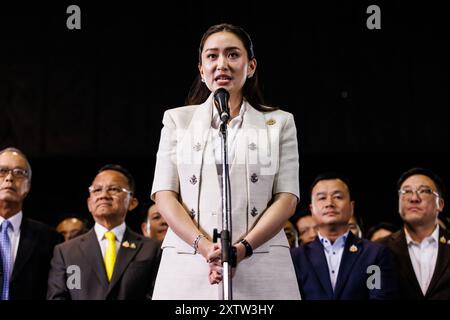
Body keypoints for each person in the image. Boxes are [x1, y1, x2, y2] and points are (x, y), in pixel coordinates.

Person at [151, 23, 301, 299]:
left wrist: (242, 248)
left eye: (233, 55)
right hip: (188, 260)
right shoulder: (177, 120)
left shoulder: (279, 122)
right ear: (201, 69)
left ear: (251, 66)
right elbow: (164, 194)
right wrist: (205, 247)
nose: (222, 64)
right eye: (212, 56)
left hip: (261, 259)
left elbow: (287, 197)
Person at [47, 164, 161, 300]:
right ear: (89, 203)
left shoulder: (152, 249)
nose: (103, 195)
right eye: (97, 190)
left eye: (113, 189)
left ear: (132, 202)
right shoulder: (67, 252)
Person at [291, 172, 398, 299]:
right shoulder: (296, 258)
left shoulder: (374, 254)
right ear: (312, 210)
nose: (329, 203)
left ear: (351, 207)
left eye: (338, 197)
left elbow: (379, 296)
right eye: (322, 198)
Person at [0, 147, 63, 300]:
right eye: (2, 171)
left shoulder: (51, 239)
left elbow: (65, 287)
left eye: (19, 173)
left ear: (28, 186)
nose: (9, 178)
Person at [379, 168, 450, 299]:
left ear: (440, 204)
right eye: (406, 192)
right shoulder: (377, 250)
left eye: (424, 191)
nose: (414, 198)